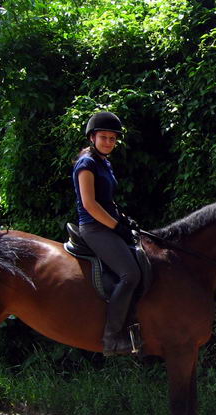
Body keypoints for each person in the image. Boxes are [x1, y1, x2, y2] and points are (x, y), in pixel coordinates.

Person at [72, 111, 142, 356]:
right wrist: (116, 227)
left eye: (113, 139)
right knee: (130, 274)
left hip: (108, 224)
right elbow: (90, 204)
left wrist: (123, 220)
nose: (109, 143)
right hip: (93, 228)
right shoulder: (86, 164)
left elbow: (107, 200)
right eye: (104, 137)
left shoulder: (104, 162)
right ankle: (111, 337)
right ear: (92, 137)